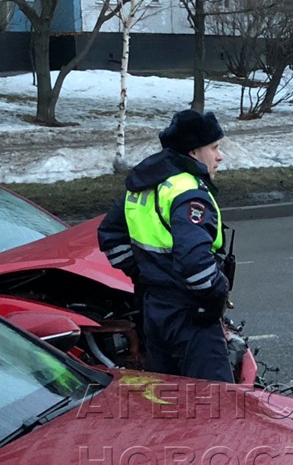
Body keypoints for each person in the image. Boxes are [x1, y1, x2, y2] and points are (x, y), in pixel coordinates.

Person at [96, 109, 234, 382]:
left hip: (154, 309)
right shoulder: (188, 191)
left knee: (167, 397)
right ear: (193, 152)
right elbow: (195, 265)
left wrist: (147, 273)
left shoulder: (145, 182)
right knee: (217, 404)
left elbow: (111, 237)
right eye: (214, 148)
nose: (220, 156)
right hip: (190, 316)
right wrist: (218, 293)